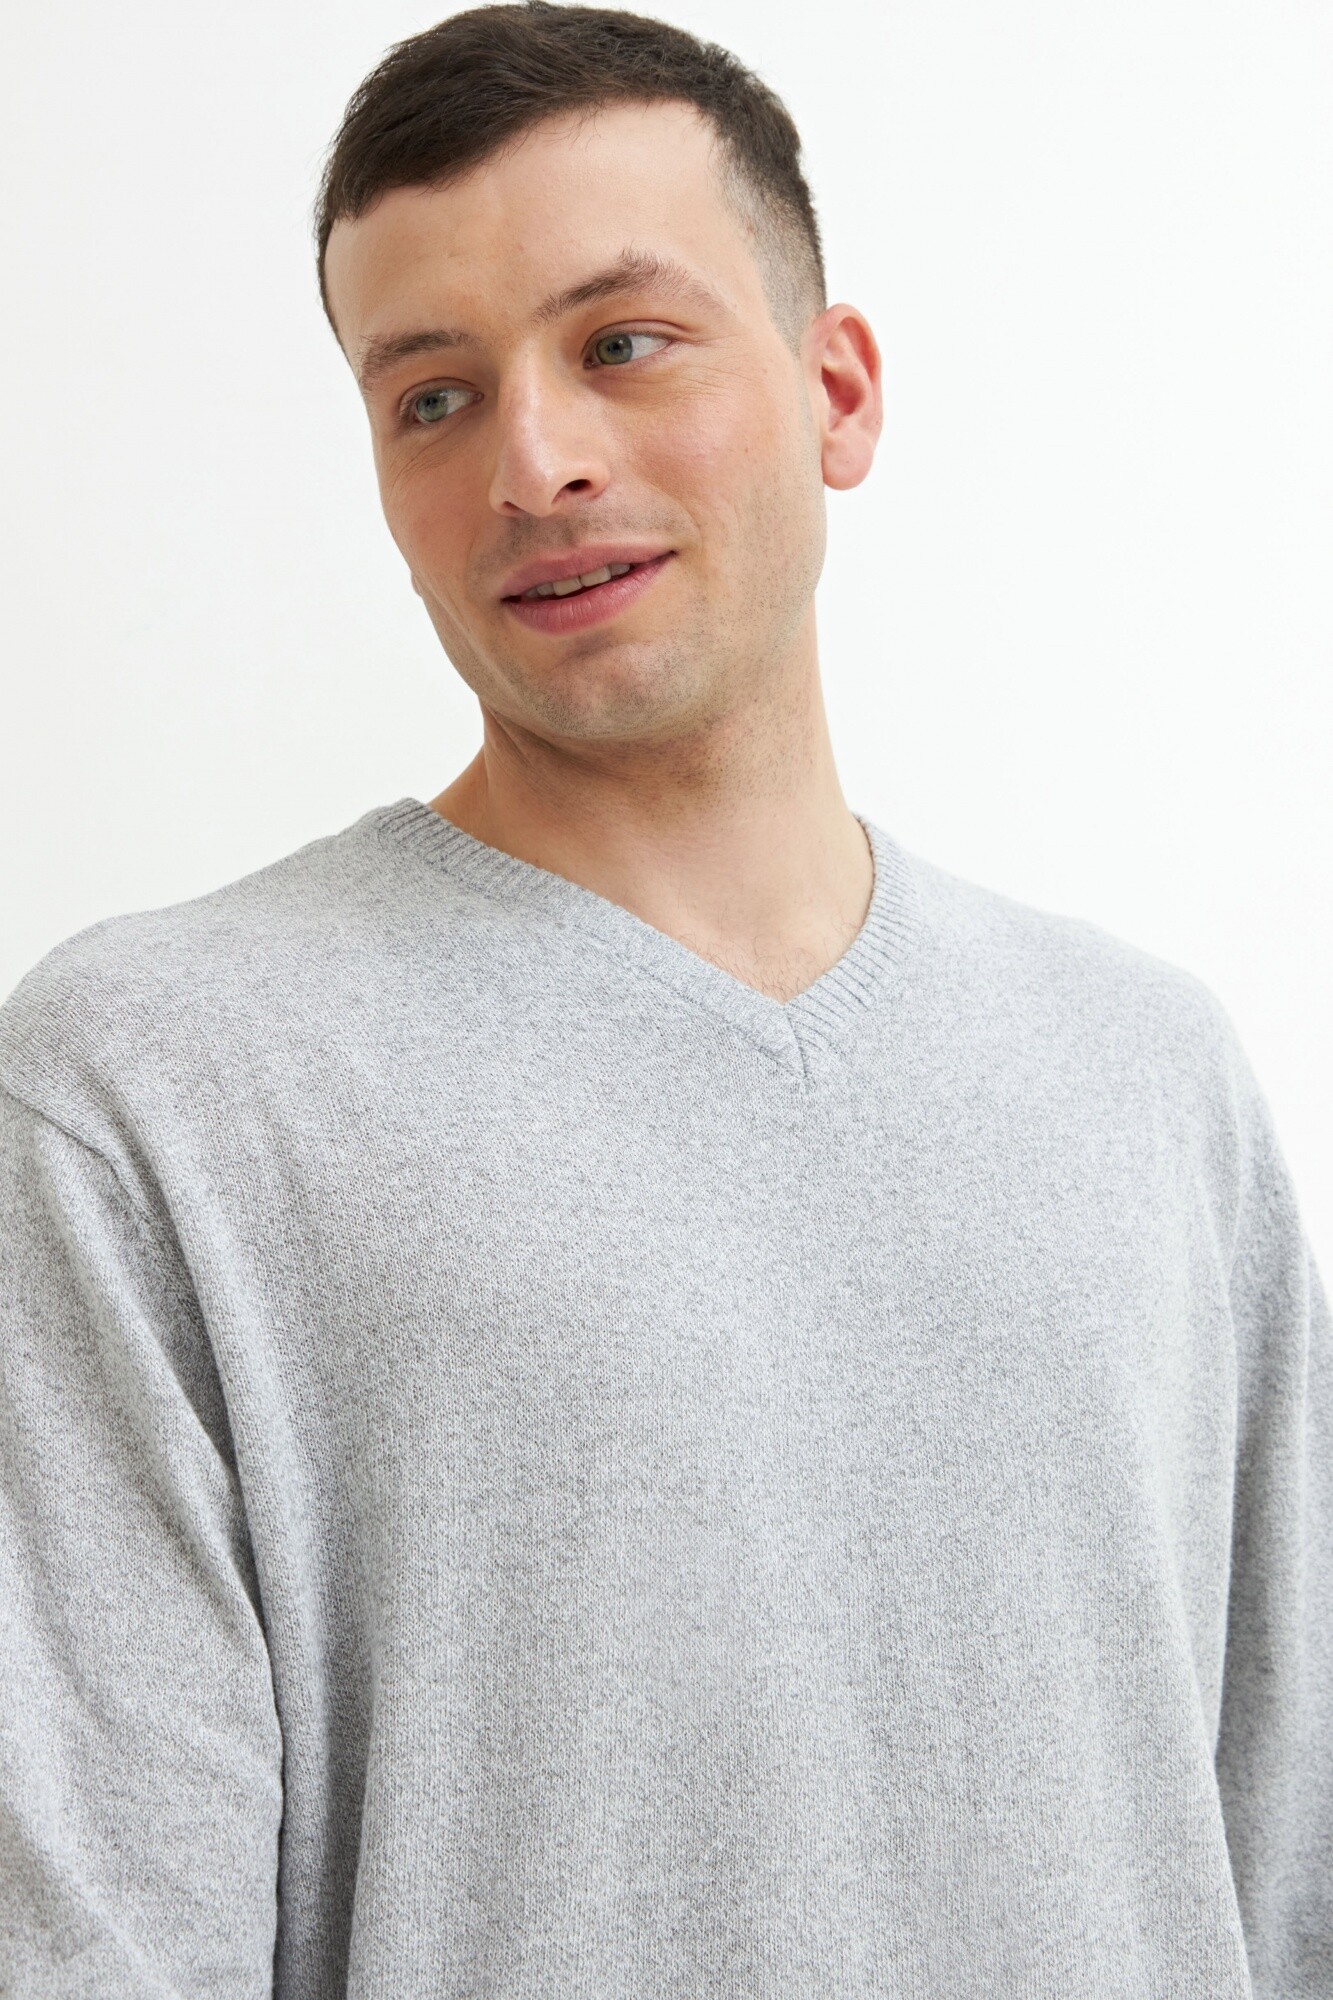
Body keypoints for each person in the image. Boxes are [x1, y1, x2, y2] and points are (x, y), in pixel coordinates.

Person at [0, 3, 1327, 1994]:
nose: (533, 461)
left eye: (622, 343)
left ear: (836, 391)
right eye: (431, 396)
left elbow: (1286, 1870)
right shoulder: (157, 1088)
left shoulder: (1145, 1074)